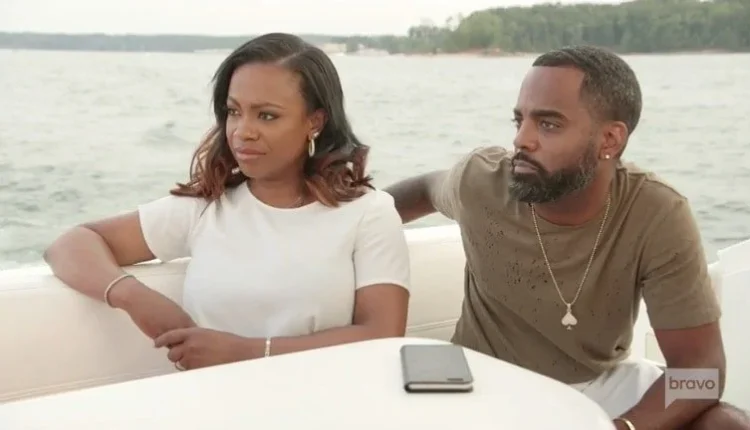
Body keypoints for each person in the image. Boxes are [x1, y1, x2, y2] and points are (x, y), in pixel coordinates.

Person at [385, 45, 749, 429]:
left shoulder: (657, 213)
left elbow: (702, 371)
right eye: (519, 120)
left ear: (610, 140)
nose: (522, 140)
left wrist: (621, 427)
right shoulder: (482, 182)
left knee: (727, 425)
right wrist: (354, 218)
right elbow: (423, 190)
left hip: (599, 383)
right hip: (485, 381)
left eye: (548, 124)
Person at [44, 33, 411, 372]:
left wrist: (246, 352)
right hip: (207, 403)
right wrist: (135, 297)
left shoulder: (368, 213)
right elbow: (70, 245)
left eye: (266, 115)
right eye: (234, 111)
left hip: (324, 401)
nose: (242, 131)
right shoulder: (208, 206)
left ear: (314, 122)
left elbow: (382, 333)